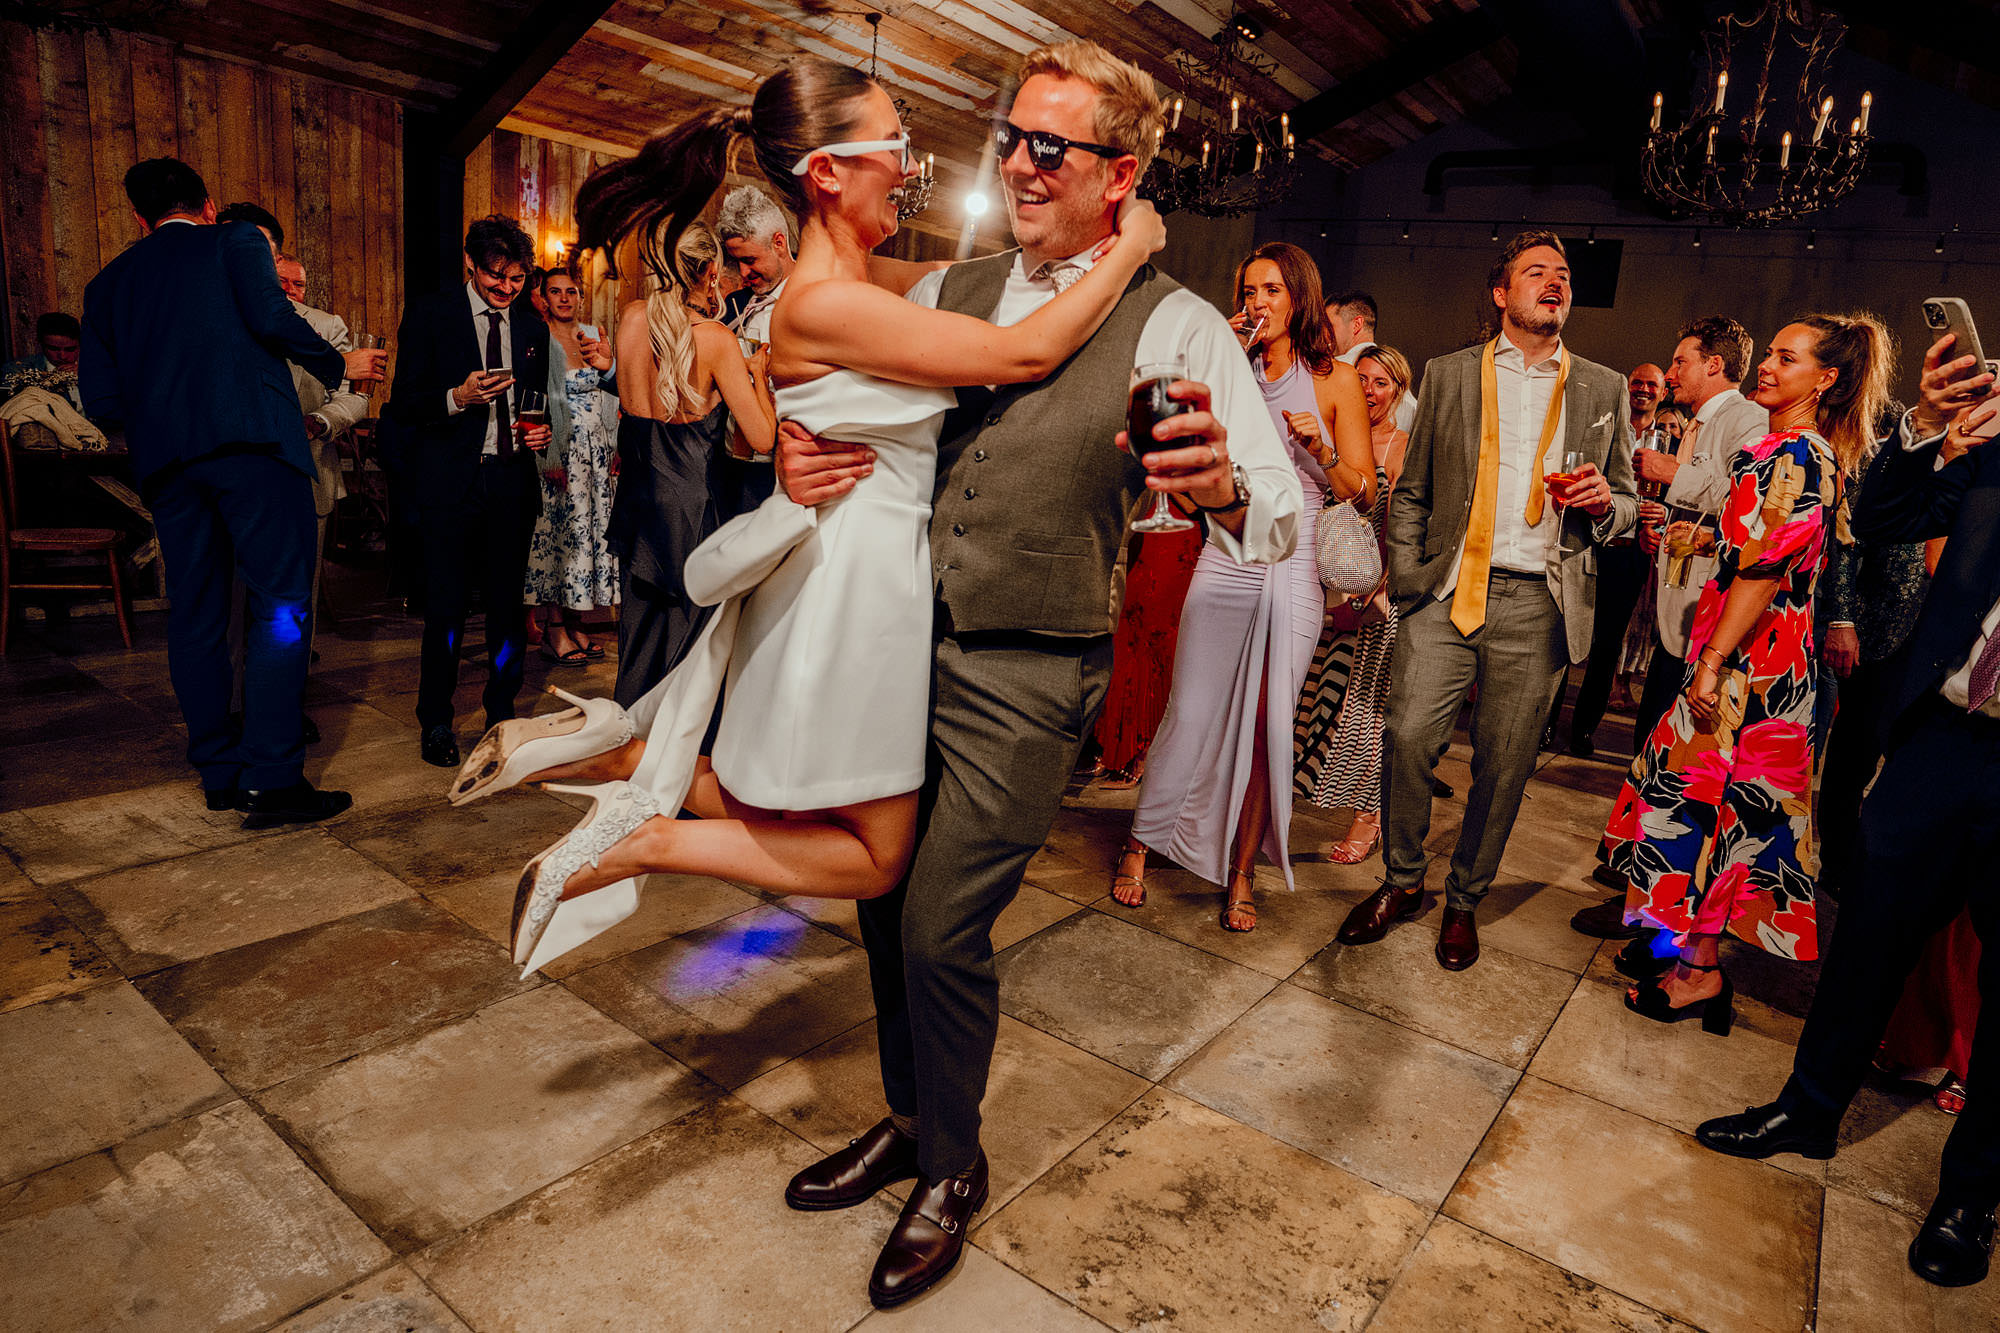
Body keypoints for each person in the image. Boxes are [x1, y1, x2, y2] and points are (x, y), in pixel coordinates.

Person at [455, 43, 1296, 1306]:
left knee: (942, 921)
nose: (1010, 158)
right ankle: (910, 1120)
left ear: (1118, 175)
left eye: (1044, 146)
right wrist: (791, 461)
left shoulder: (1175, 321)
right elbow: (819, 369)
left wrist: (1223, 486)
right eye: (1010, 134)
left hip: (1025, 667)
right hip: (899, 644)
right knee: (877, 898)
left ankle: (951, 1164)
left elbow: (1276, 517)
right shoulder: (959, 281)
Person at [1696, 329, 2000, 1290]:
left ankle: (1970, 1196)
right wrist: (1928, 425)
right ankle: (1809, 1108)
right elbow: (1888, 511)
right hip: (1944, 733)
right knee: (1869, 931)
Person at [1335, 230, 1637, 972]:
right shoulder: (1448, 373)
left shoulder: (1603, 387)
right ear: (1502, 293)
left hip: (1540, 603)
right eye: (1536, 272)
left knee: (1504, 765)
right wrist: (1408, 574)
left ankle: (1465, 897)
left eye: (1563, 275)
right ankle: (1403, 881)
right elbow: (1413, 491)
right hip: (1446, 592)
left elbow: (1629, 504)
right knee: (1407, 737)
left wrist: (1606, 506)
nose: (1554, 283)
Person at [1601, 313, 1892, 1033]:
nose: (1766, 365)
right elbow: (1755, 547)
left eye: (1785, 359)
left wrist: (1709, 661)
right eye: (1767, 354)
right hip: (1742, 653)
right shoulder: (1777, 446)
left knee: (1730, 820)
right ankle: (1681, 948)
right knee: (1703, 811)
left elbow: (1765, 572)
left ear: (1825, 378)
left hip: (1749, 668)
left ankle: (1699, 973)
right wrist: (1700, 535)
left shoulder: (1799, 452)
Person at [78, 157, 382, 824]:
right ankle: (272, 780)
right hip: (255, 449)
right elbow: (273, 319)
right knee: (280, 607)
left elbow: (99, 398)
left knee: (195, 613)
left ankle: (218, 770)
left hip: (169, 467)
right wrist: (337, 364)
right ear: (209, 204)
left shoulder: (107, 284)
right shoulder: (236, 240)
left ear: (139, 217)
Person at [1110, 242, 1369, 930]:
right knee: (1191, 707)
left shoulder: (1336, 379)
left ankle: (1243, 871)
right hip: (1231, 551)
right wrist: (1208, 365)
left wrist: (1321, 452)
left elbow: (1362, 492)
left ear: (1300, 298)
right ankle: (1141, 844)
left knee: (1267, 726)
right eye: (1249, 290)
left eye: (1272, 290)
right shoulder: (1233, 368)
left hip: (1301, 559)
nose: (1256, 303)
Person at [1569, 317, 1767, 940]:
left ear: (1713, 364)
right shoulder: (1704, 424)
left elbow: (1746, 502)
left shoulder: (1745, 420)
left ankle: (1650, 903)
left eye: (1682, 360)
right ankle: (1633, 869)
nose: (1671, 371)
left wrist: (1667, 473)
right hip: (1677, 615)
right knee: (1651, 755)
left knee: (1676, 768)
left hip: (1705, 631)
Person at [385, 215, 554, 769]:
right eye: (495, 277)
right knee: (447, 607)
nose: (506, 289)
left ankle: (501, 712)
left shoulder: (532, 328)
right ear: (471, 264)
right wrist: (456, 396)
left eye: (518, 279)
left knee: (508, 606)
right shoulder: (432, 314)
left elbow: (538, 402)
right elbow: (404, 403)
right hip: (450, 484)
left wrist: (541, 431)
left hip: (510, 480)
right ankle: (435, 719)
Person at [600, 221, 771, 706]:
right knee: (689, 649)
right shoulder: (716, 339)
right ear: (711, 271)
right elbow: (761, 435)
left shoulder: (632, 317)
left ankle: (627, 742)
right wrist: (757, 376)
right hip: (692, 514)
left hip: (638, 501)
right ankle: (679, 762)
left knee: (638, 639)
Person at [1294, 341, 1412, 863]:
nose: (1367, 391)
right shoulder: (1333, 434)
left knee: (1367, 712)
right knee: (1319, 702)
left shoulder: (1400, 445)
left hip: (1375, 595)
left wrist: (1374, 590)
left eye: (1380, 383)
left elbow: (1405, 528)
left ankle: (1369, 818)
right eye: (1360, 379)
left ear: (1398, 391)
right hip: (1322, 586)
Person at [1560, 362, 1667, 757]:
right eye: (1636, 382)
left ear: (1662, 393)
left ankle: (1583, 729)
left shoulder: (1669, 435)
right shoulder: (1607, 423)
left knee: (1606, 647)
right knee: (1566, 635)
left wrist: (1662, 513)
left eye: (1650, 385)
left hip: (1630, 552)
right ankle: (1546, 723)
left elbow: (1676, 492)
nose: (1642, 389)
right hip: (1591, 544)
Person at [524, 266, 620, 666]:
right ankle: (554, 629)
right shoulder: (538, 337)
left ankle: (579, 621)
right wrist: (548, 457)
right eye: (555, 291)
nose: (564, 298)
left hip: (597, 453)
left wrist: (616, 446)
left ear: (580, 296)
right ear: (543, 298)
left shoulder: (596, 336)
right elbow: (536, 400)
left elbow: (615, 392)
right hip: (561, 451)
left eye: (571, 291)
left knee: (590, 538)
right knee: (560, 539)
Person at [1328, 290, 1416, 430]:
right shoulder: (1410, 400)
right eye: (1362, 379)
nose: (1322, 333)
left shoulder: (1331, 370)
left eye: (1329, 326)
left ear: (1357, 325)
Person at [717, 184, 795, 334]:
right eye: (736, 261)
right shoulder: (734, 304)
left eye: (749, 260)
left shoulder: (814, 301)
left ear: (779, 243)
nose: (743, 272)